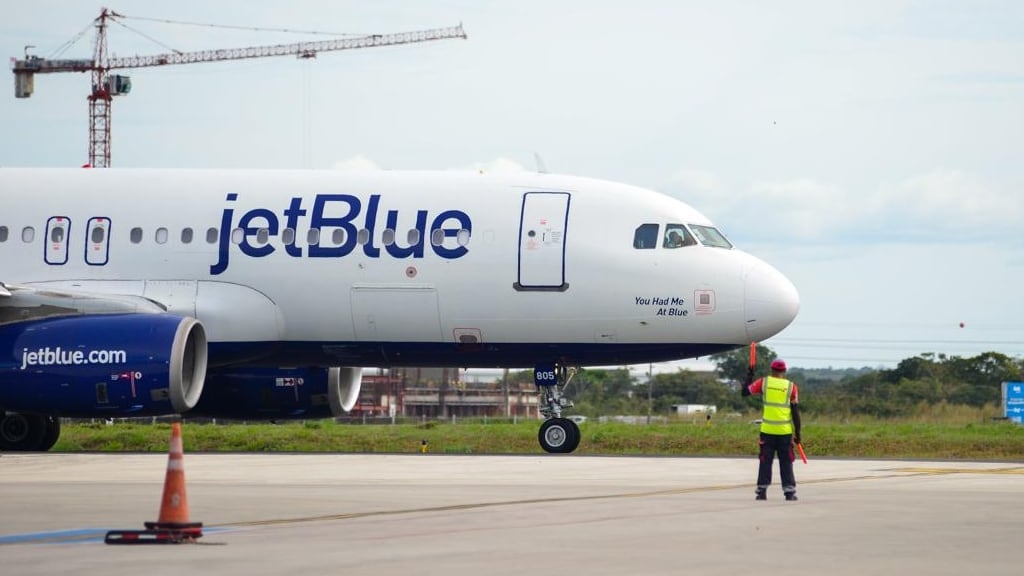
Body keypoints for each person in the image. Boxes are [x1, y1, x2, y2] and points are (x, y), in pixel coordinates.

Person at [742, 358, 801, 501]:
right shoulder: (791, 387)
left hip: (767, 431)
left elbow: (745, 392)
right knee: (786, 461)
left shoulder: (764, 382)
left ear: (772, 370)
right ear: (784, 371)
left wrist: (749, 376)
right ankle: (789, 492)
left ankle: (761, 491)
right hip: (784, 432)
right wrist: (798, 433)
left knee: (765, 461)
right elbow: (795, 412)